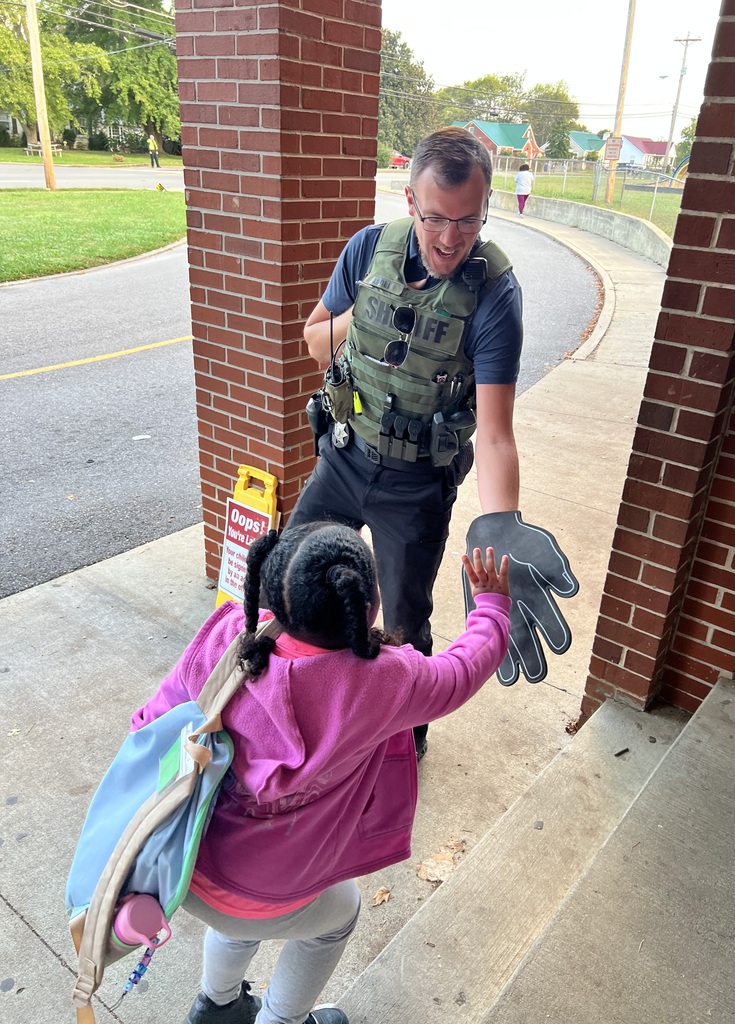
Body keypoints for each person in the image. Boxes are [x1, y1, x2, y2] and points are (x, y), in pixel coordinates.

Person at [130, 522, 511, 1024]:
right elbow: (461, 672)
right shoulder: (386, 682)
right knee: (338, 915)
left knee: (242, 909)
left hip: (185, 869)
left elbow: (149, 724)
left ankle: (216, 1005)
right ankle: (281, 1020)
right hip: (270, 887)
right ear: (367, 602)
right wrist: (492, 607)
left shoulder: (227, 636)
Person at [289, 126, 523, 761]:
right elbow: (314, 342)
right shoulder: (369, 251)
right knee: (290, 577)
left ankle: (401, 747)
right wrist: (370, 312)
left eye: (469, 221)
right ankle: (298, 698)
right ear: (410, 202)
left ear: (485, 206)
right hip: (342, 456)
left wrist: (501, 527)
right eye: (436, 219)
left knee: (405, 624)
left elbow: (497, 434)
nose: (451, 239)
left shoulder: (494, 295)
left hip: (415, 484)